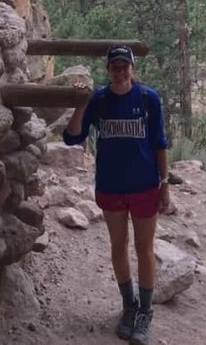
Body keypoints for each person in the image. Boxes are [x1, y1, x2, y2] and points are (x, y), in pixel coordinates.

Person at [63, 45, 169, 345]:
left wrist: (165, 184)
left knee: (144, 248)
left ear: (132, 68)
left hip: (145, 185)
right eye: (115, 67)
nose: (120, 71)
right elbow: (72, 137)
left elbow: (161, 143)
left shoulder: (148, 99)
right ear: (108, 70)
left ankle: (145, 312)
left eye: (125, 66)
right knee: (118, 246)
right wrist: (82, 103)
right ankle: (129, 306)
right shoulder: (99, 100)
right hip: (111, 186)